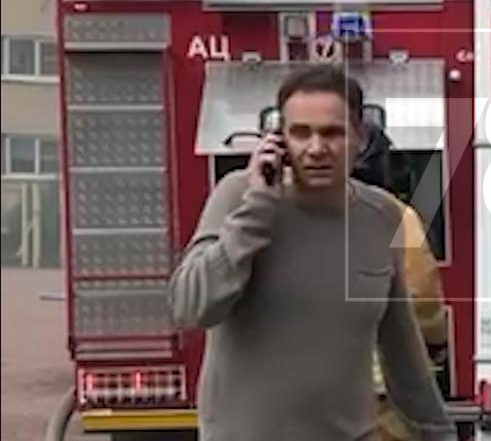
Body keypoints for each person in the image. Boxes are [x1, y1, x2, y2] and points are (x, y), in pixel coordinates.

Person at [170, 64, 455, 441]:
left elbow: (402, 350)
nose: (317, 148)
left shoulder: (383, 217)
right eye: (301, 133)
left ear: (360, 136)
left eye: (332, 133)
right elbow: (191, 307)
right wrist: (257, 210)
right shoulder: (237, 197)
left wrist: (439, 432)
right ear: (279, 139)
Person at [350, 121, 451, 441]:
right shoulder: (395, 216)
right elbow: (422, 297)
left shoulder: (284, 214)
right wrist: (434, 343)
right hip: (381, 397)